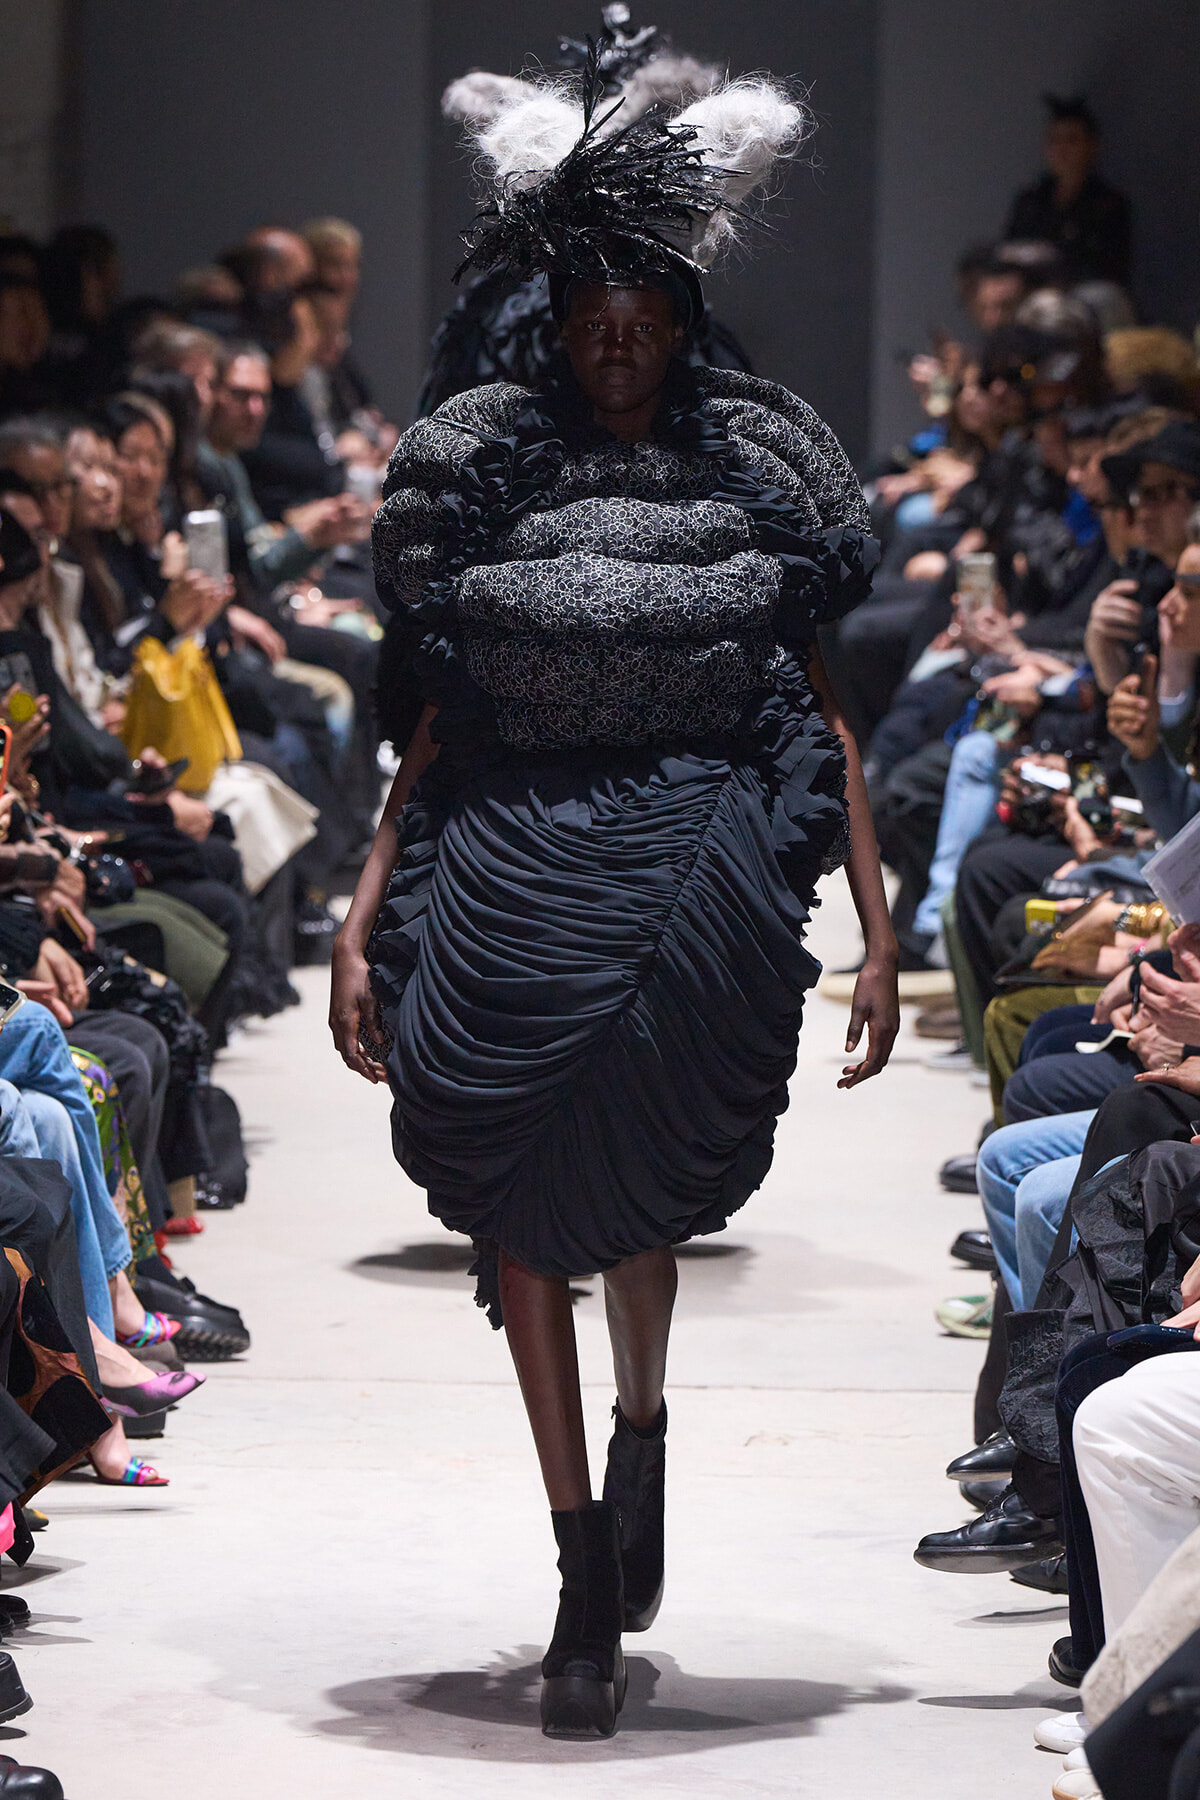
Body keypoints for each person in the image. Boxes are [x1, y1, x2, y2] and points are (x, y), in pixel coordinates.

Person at [330, 53, 899, 1740]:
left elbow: (822, 704)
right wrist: (365, 919)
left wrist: (873, 925)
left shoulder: (761, 466)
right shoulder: (477, 466)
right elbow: (424, 720)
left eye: (647, 312)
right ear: (554, 317)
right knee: (514, 1201)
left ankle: (642, 1427)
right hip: (510, 844)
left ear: (683, 315)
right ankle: (580, 1557)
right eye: (594, 314)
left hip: (694, 849)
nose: (621, 343)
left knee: (644, 1197)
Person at [1005, 95, 1132, 289]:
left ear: (1092, 146)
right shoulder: (1030, 203)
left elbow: (1110, 270)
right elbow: (1009, 255)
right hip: (1032, 299)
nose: (1061, 150)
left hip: (1086, 300)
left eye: (1071, 140)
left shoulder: (1108, 205)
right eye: (1054, 140)